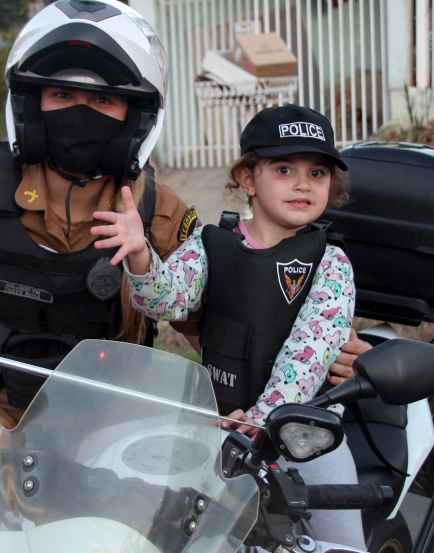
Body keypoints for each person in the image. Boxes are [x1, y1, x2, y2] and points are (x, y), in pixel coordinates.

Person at [0, 0, 202, 529]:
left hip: (113, 443)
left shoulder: (159, 214)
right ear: (30, 103)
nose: (80, 114)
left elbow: (206, 321)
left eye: (104, 99)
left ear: (135, 114)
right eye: (62, 94)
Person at [93, 104, 367, 549]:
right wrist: (141, 255)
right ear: (246, 178)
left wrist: (261, 422)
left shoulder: (331, 263)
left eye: (318, 173)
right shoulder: (210, 243)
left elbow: (309, 355)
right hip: (218, 430)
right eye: (284, 169)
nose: (303, 184)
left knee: (343, 544)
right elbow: (167, 299)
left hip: (305, 438)